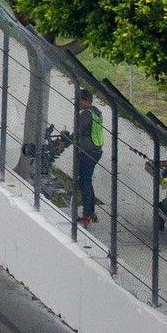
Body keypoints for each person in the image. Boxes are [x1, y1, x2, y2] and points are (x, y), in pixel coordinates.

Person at [74, 86, 103, 227]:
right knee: (87, 181)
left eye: (78, 101)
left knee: (83, 182)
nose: (76, 104)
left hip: (87, 152)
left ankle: (87, 214)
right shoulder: (97, 112)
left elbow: (77, 133)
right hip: (96, 151)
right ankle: (90, 212)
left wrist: (63, 144)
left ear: (86, 100)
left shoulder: (86, 114)